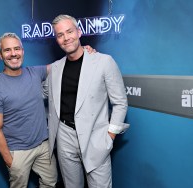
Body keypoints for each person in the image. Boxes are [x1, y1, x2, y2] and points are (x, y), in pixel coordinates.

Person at [46, 15, 130, 188]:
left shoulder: (104, 62)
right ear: (57, 40)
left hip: (96, 137)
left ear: (79, 32)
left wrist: (109, 137)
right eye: (60, 35)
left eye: (69, 31)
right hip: (64, 137)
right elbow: (39, 91)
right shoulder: (55, 68)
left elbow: (120, 102)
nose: (66, 37)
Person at [0, 32, 57, 188]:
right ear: (0, 55)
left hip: (43, 146)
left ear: (22, 51)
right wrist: (10, 161)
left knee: (50, 183)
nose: (13, 54)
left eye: (17, 49)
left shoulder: (35, 72)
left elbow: (58, 66)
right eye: (7, 50)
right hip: (18, 152)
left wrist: (82, 50)